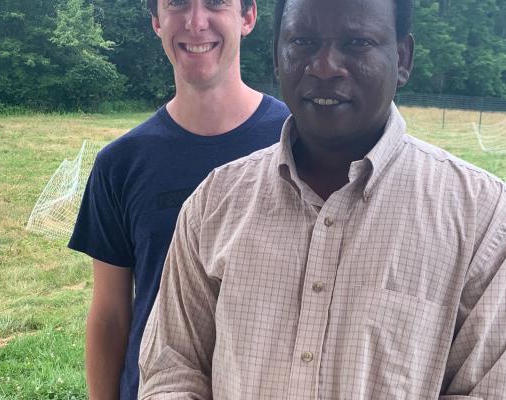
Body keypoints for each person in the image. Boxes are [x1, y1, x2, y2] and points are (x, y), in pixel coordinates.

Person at [138, 0, 506, 398]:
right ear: (278, 58)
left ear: (402, 58)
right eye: (303, 41)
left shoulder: (481, 218)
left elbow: (485, 387)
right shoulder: (214, 202)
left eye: (358, 42)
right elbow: (173, 368)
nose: (325, 66)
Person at [68, 0, 289, 398]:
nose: (195, 21)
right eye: (178, 4)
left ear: (248, 18)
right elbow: (111, 315)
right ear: (156, 21)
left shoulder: (298, 143)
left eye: (216, 3)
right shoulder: (120, 164)